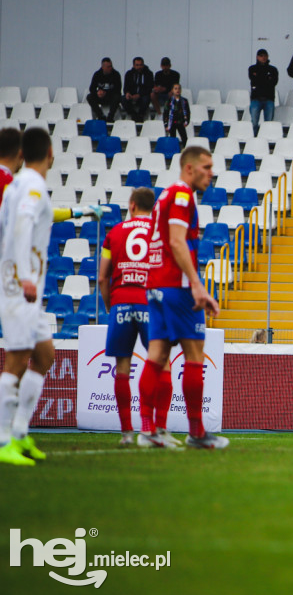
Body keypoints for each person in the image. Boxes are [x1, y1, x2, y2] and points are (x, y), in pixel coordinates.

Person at [140, 146, 227, 449]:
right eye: (206, 167)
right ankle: (197, 432)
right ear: (189, 168)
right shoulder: (180, 195)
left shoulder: (164, 195)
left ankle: (148, 430)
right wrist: (196, 284)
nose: (211, 173)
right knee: (194, 354)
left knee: (158, 356)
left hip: (155, 285)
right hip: (175, 286)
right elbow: (177, 243)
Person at [98, 188, 181, 449]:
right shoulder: (160, 232)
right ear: (152, 207)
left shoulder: (114, 233)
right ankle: (158, 429)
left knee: (122, 368)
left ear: (132, 205)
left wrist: (111, 305)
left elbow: (102, 277)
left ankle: (126, 434)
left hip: (121, 300)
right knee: (162, 363)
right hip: (150, 301)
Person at [0, 128, 56, 466]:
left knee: (46, 356)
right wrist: (23, 275)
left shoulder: (15, 185)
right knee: (18, 360)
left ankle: (20, 433)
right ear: (49, 151)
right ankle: (4, 439)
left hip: (18, 283)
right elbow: (20, 226)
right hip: (19, 286)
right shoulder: (33, 186)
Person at [248, 49, 278, 126]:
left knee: (268, 124)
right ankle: (254, 137)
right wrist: (267, 78)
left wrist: (258, 77)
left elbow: (273, 82)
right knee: (254, 123)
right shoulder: (252, 68)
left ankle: (266, 138)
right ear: (257, 57)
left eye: (265, 56)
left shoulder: (273, 69)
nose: (263, 57)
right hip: (255, 99)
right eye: (261, 56)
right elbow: (254, 80)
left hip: (269, 99)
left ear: (268, 57)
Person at [87, 57, 122, 122]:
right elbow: (91, 88)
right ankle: (100, 116)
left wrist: (106, 93)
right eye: (108, 67)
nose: (110, 68)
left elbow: (118, 89)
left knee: (118, 97)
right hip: (100, 96)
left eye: (111, 66)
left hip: (111, 97)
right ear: (103, 67)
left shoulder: (116, 74)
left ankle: (110, 117)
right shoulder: (97, 74)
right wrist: (97, 92)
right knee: (89, 97)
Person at [121, 56, 154, 123]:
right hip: (132, 95)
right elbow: (126, 87)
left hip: (142, 95)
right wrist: (127, 93)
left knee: (146, 98)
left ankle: (140, 115)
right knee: (122, 98)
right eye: (137, 65)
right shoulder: (129, 74)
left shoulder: (149, 74)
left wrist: (139, 95)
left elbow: (149, 88)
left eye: (141, 65)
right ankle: (134, 115)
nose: (139, 67)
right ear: (133, 65)